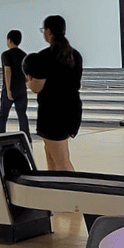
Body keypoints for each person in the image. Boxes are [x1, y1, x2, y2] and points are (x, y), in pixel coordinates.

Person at [25, 15, 82, 172]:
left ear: (49, 32)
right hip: (71, 110)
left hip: (52, 113)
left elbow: (36, 87)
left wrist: (28, 80)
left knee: (62, 161)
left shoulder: (43, 56)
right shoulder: (75, 55)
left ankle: (74, 193)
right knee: (51, 155)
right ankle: (55, 191)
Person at [0, 29, 30, 141]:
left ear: (9, 40)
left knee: (3, 116)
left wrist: (8, 90)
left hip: (10, 90)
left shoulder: (6, 54)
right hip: (21, 90)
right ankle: (26, 138)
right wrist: (26, 83)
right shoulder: (24, 55)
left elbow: (7, 72)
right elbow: (26, 73)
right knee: (22, 115)